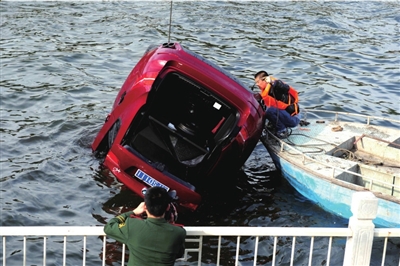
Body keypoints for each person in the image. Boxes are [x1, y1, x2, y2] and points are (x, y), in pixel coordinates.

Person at [104, 186, 186, 266]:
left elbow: (109, 226)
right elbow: (178, 254)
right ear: (168, 207)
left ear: (145, 207)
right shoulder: (178, 232)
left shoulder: (132, 225)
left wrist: (133, 212)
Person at [254, 70, 300, 138]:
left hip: (293, 119)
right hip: (287, 116)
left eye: (258, 82)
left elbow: (285, 87)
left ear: (265, 79)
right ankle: (276, 127)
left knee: (269, 111)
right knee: (266, 110)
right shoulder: (266, 91)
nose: (257, 84)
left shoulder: (276, 85)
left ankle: (282, 130)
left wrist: (273, 82)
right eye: (256, 83)